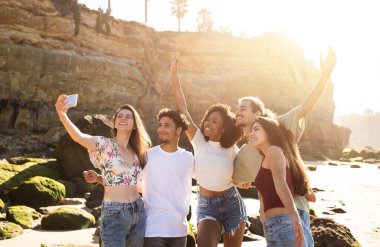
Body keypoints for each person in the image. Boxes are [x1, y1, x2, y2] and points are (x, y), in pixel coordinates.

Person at [233, 48, 336, 246]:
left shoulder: (278, 127)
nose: (237, 111)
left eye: (243, 108)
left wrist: (324, 76)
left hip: (296, 211)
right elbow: (235, 179)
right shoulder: (244, 153)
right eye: (237, 108)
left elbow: (306, 107)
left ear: (259, 114)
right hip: (271, 221)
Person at [85, 108, 195, 247]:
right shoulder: (147, 156)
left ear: (179, 130)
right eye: (159, 125)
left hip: (179, 230)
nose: (161, 129)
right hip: (153, 229)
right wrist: (100, 178)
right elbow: (128, 181)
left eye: (167, 125)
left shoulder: (188, 158)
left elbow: (210, 179)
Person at [171, 54, 247, 247]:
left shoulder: (233, 149)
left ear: (223, 128)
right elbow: (182, 110)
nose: (207, 123)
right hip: (206, 205)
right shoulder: (198, 141)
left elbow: (244, 172)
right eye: (207, 119)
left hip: (232, 204)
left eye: (215, 121)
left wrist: (246, 180)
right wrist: (174, 75)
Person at [55, 95, 151, 247]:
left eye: (128, 116)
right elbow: (79, 137)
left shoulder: (140, 151)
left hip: (138, 210)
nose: (123, 118)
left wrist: (99, 178)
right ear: (115, 123)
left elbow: (133, 182)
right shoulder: (104, 144)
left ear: (134, 124)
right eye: (120, 116)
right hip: (114, 212)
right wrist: (62, 115)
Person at [249, 116, 310, 247]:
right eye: (251, 130)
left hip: (282, 223)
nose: (251, 134)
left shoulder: (273, 150)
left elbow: (281, 184)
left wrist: (294, 216)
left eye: (256, 129)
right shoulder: (272, 154)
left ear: (269, 132)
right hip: (275, 224)